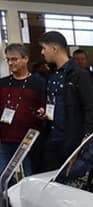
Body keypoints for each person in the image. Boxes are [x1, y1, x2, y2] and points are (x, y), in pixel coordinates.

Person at [36, 31, 93, 171]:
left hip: (72, 143)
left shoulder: (79, 75)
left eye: (44, 48)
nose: (42, 52)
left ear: (54, 49)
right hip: (52, 140)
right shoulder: (51, 75)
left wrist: (86, 138)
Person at [0, 43, 46, 175]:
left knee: (30, 176)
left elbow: (45, 107)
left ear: (25, 59)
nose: (10, 63)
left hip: (28, 140)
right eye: (8, 59)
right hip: (5, 138)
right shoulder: (2, 83)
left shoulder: (38, 82)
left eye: (14, 59)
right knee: (2, 177)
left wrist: (42, 113)